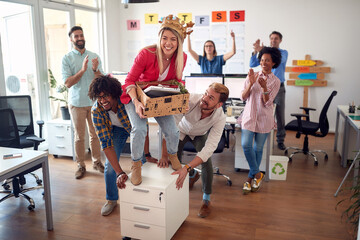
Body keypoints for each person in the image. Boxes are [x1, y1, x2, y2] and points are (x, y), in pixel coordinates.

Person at [120, 15, 193, 185]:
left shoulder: (182, 57)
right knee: (139, 130)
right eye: (165, 38)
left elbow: (177, 81)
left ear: (179, 41)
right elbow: (129, 81)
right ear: (160, 38)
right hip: (136, 96)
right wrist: (137, 103)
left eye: (173, 39)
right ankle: (136, 163)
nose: (168, 43)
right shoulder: (146, 54)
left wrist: (182, 99)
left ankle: (173, 155)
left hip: (158, 97)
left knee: (173, 131)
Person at [172, 82, 229, 218]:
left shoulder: (220, 118)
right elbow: (172, 122)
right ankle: (175, 194)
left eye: (211, 98)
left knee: (207, 163)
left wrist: (188, 167)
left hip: (199, 134)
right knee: (174, 160)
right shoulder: (190, 99)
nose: (205, 99)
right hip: (181, 129)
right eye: (206, 94)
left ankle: (206, 200)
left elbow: (210, 147)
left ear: (219, 105)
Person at [62, 26, 104, 179]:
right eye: (76, 36)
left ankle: (97, 162)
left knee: (95, 134)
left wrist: (94, 70)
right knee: (80, 136)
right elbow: (67, 83)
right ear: (71, 39)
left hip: (93, 102)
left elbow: (101, 78)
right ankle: (81, 165)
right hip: (76, 103)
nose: (80, 38)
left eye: (81, 35)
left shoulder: (93, 56)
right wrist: (82, 70)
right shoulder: (67, 58)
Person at [88, 75, 131, 216]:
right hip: (115, 130)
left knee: (142, 162)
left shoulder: (126, 100)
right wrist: (120, 172)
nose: (102, 101)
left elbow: (144, 130)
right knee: (110, 169)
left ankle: (141, 198)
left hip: (134, 128)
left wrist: (146, 154)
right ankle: (111, 199)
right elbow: (106, 144)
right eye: (99, 98)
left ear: (113, 93)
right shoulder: (96, 111)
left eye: (105, 96)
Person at [241, 47, 281, 194]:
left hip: (264, 119)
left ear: (274, 62)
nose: (264, 63)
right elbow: (243, 96)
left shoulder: (276, 82)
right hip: (249, 117)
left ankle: (250, 180)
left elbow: (268, 103)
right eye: (262, 60)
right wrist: (251, 83)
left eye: (267, 60)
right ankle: (258, 174)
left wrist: (264, 87)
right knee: (246, 145)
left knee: (258, 149)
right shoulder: (252, 75)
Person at [250, 31, 288, 150]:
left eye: (276, 38)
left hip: (279, 87)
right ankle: (262, 138)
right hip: (264, 86)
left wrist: (263, 49)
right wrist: (256, 51)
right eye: (271, 38)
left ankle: (280, 140)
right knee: (263, 111)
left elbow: (280, 61)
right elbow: (252, 63)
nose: (273, 40)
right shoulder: (264, 53)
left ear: (280, 40)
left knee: (279, 114)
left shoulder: (283, 53)